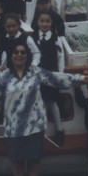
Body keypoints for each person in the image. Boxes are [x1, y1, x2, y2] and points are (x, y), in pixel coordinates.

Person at [0, 41, 86, 176]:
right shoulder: (3, 76)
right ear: (11, 55)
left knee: (33, 158)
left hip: (34, 123)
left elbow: (55, 78)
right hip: (13, 124)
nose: (19, 55)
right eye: (16, 52)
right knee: (15, 158)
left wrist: (79, 78)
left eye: (23, 52)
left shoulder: (36, 72)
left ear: (28, 56)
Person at [32, 11, 66, 146]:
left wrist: (60, 73)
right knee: (39, 104)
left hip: (52, 73)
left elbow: (61, 56)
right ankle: (41, 133)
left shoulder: (56, 38)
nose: (45, 24)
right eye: (42, 21)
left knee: (52, 102)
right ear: (37, 22)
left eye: (47, 21)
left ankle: (59, 130)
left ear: (51, 23)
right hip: (38, 74)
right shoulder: (33, 38)